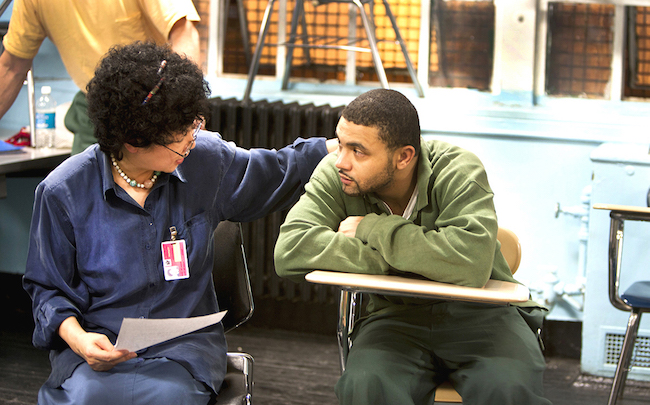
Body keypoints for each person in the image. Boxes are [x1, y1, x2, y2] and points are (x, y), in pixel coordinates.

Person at [22, 41, 337, 405]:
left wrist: (344, 144)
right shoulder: (63, 192)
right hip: (97, 347)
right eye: (179, 137)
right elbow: (48, 289)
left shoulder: (205, 159)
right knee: (90, 398)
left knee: (167, 397)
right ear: (134, 140)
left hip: (182, 349)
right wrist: (79, 339)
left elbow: (279, 170)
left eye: (195, 124)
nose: (192, 137)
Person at [274, 89, 551, 405]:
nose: (341, 161)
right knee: (366, 385)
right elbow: (291, 251)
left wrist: (371, 228)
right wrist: (412, 261)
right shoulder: (336, 174)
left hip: (483, 315)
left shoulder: (457, 169)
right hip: (396, 315)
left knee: (508, 389)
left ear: (404, 156)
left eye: (358, 151)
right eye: (340, 143)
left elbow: (469, 265)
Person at [0, 0, 201, 155]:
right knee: (85, 196)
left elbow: (184, 34)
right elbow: (11, 68)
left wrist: (183, 113)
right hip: (95, 110)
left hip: (156, 110)